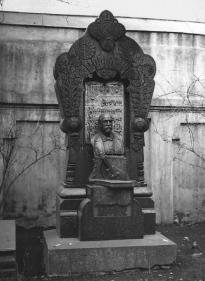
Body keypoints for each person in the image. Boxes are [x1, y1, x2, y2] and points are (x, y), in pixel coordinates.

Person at [89, 113, 128, 180]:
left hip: (119, 175)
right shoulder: (94, 139)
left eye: (110, 121)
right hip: (101, 175)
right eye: (105, 121)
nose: (108, 124)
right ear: (100, 124)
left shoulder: (119, 138)